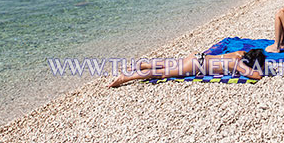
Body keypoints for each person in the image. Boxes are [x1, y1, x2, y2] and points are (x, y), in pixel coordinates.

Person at [108, 49, 265, 87]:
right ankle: (125, 78)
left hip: (198, 56)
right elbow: (256, 76)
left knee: (168, 64)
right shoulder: (239, 65)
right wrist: (260, 70)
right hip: (197, 66)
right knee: (161, 73)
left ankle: (143, 64)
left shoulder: (238, 54)